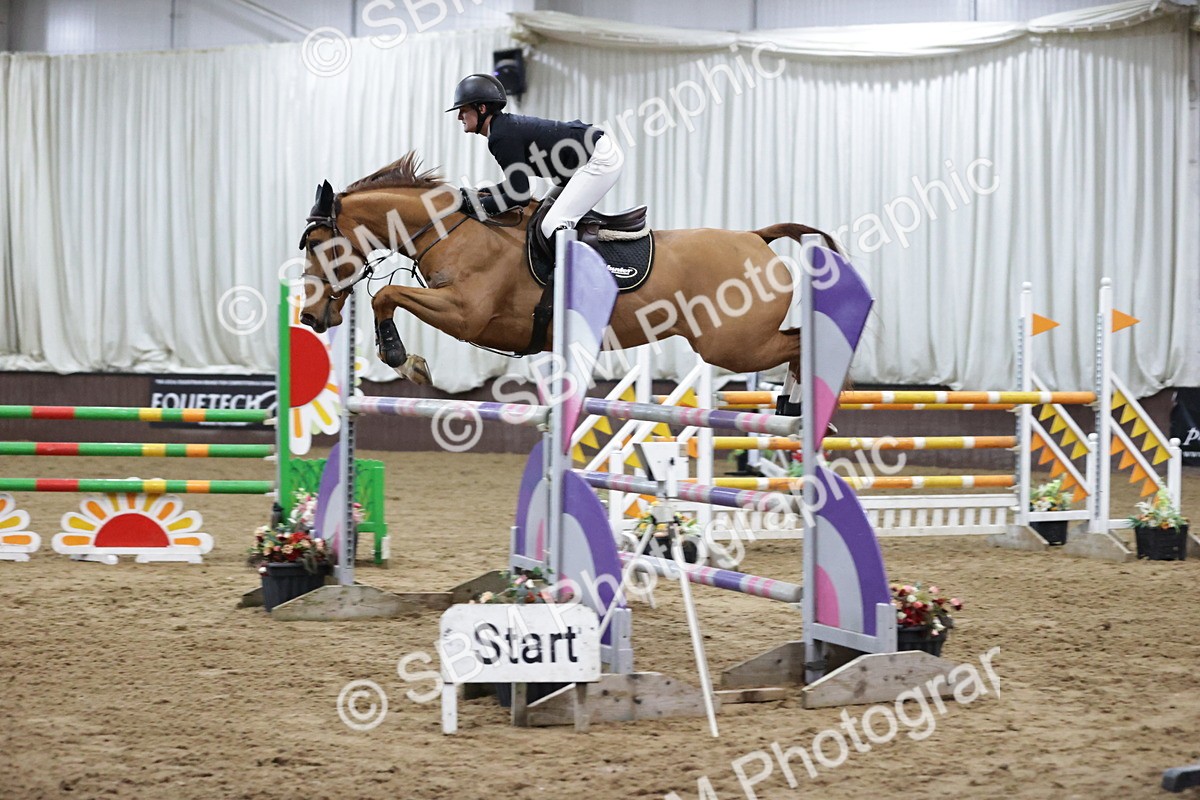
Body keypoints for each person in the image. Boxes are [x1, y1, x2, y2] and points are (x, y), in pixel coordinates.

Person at [446, 73, 623, 246]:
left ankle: (585, 266)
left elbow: (520, 195)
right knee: (539, 217)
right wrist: (482, 193)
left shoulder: (501, 136)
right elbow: (519, 184)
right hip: (586, 157)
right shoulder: (502, 129)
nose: (459, 116)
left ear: (482, 108)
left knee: (551, 225)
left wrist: (477, 206)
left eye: (463, 110)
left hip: (599, 158)